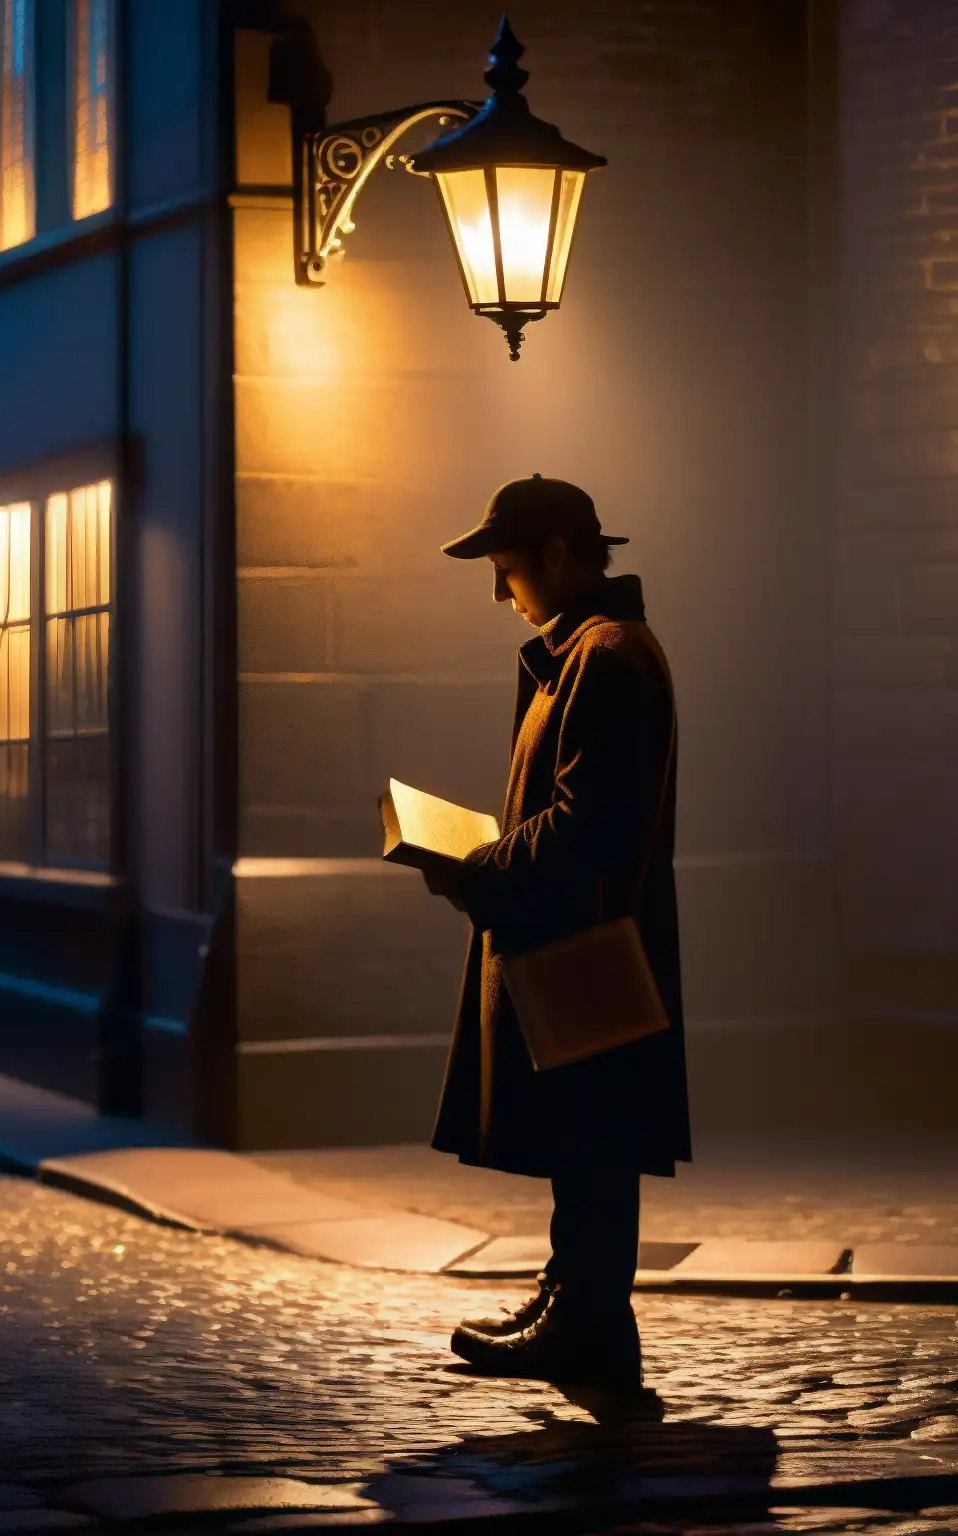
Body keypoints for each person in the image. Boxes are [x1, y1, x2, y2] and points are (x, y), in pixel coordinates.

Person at [420, 473, 689, 1393]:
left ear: (562, 558)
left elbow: (588, 825)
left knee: (595, 1142)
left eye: (508, 568)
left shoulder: (604, 657)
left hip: (592, 944)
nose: (503, 592)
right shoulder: (580, 651)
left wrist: (476, 867)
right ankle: (573, 1304)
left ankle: (589, 1324)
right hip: (579, 938)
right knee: (586, 1146)